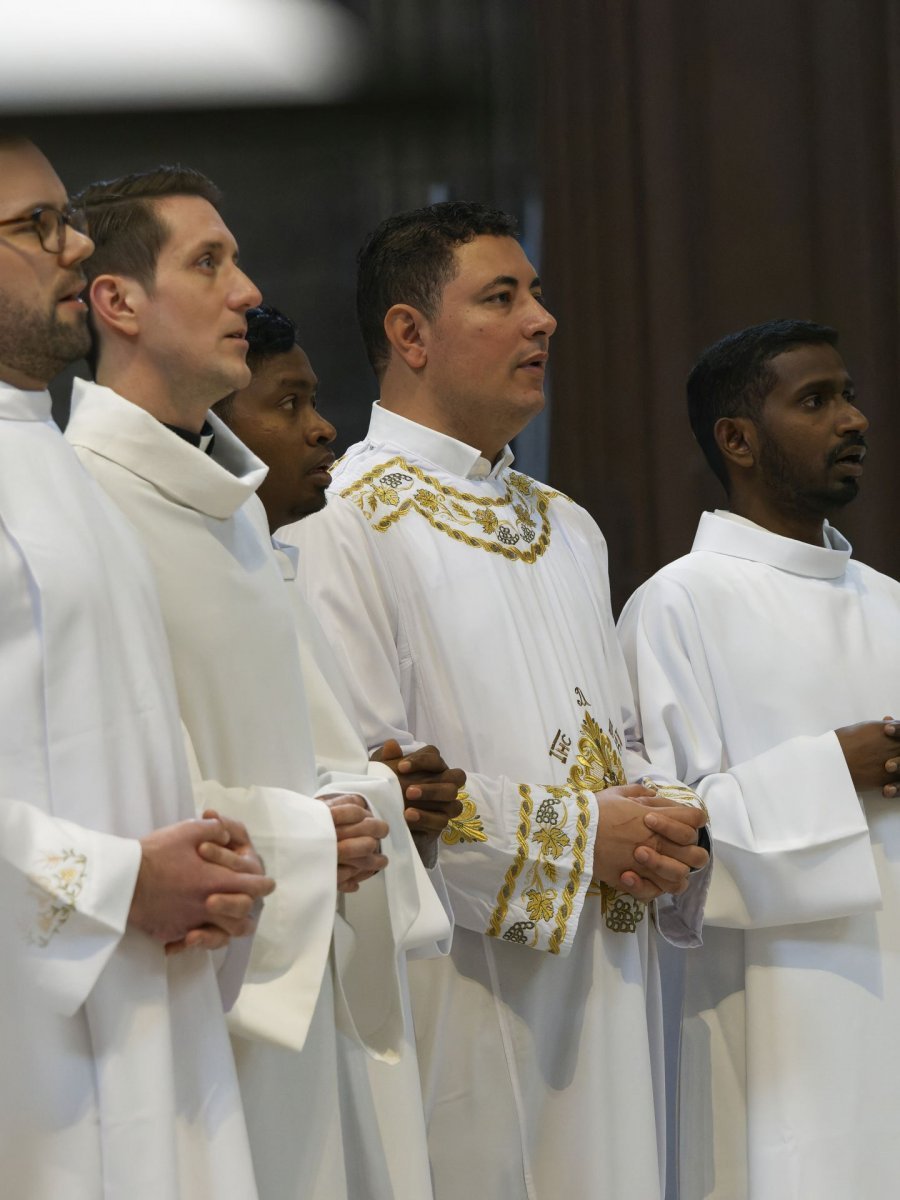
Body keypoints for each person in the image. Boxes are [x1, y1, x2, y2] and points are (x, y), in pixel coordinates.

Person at [283, 201, 711, 1200]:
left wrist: (655, 818)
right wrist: (580, 838)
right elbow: (368, 786)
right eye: (503, 297)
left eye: (540, 294)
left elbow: (611, 740)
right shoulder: (343, 517)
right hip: (464, 989)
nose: (543, 320)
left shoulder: (569, 526)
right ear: (410, 333)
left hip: (609, 974)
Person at [65, 166, 450, 1200]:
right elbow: (85, 800)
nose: (246, 291)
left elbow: (316, 747)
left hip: (299, 972)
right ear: (118, 302)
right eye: (209, 262)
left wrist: (365, 802)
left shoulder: (233, 508)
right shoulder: (75, 508)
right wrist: (306, 836)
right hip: (178, 995)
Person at [0, 137, 274, 1199]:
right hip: (34, 1046)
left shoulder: (55, 463)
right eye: (35, 227)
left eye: (68, 220)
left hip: (147, 1007)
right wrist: (117, 885)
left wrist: (207, 868)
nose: (74, 248)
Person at [618, 318, 900, 1199]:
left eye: (849, 395)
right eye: (816, 400)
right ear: (736, 439)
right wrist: (831, 769)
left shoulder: (887, 602)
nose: (852, 418)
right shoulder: (677, 604)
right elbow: (662, 847)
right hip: (766, 1019)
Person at [214, 301, 464, 1198]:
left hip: (332, 959)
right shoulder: (206, 569)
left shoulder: (273, 564)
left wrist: (401, 802)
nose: (322, 426)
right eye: (287, 404)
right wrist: (338, 820)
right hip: (240, 981)